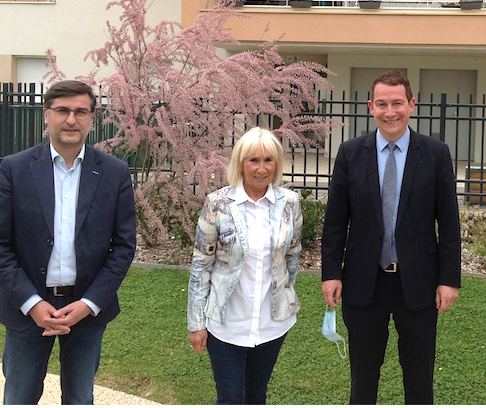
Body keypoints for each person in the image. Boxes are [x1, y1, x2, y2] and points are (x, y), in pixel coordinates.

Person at [321, 71, 461, 404]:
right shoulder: (351, 153)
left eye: (397, 103)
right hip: (363, 283)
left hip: (419, 284)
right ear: (371, 107)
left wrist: (449, 279)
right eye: (382, 104)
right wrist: (331, 273)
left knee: (419, 377)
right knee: (363, 378)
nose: (390, 111)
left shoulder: (436, 153)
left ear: (411, 104)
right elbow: (335, 222)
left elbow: (450, 224)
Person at [0, 80, 137, 404]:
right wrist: (31, 303)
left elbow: (123, 246)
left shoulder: (114, 173)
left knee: (79, 398)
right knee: (19, 397)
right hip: (27, 308)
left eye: (80, 112)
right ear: (46, 115)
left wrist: (88, 305)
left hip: (85, 310)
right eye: (62, 111)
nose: (71, 120)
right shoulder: (14, 169)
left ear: (92, 118)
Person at [187, 127, 303, 405]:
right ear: (240, 163)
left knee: (256, 395)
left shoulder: (290, 203)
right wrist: (196, 323)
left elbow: (292, 258)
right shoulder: (217, 203)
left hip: (271, 325)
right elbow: (201, 266)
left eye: (268, 160)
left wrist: (283, 296)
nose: (261, 169)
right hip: (226, 324)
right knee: (230, 398)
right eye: (253, 160)